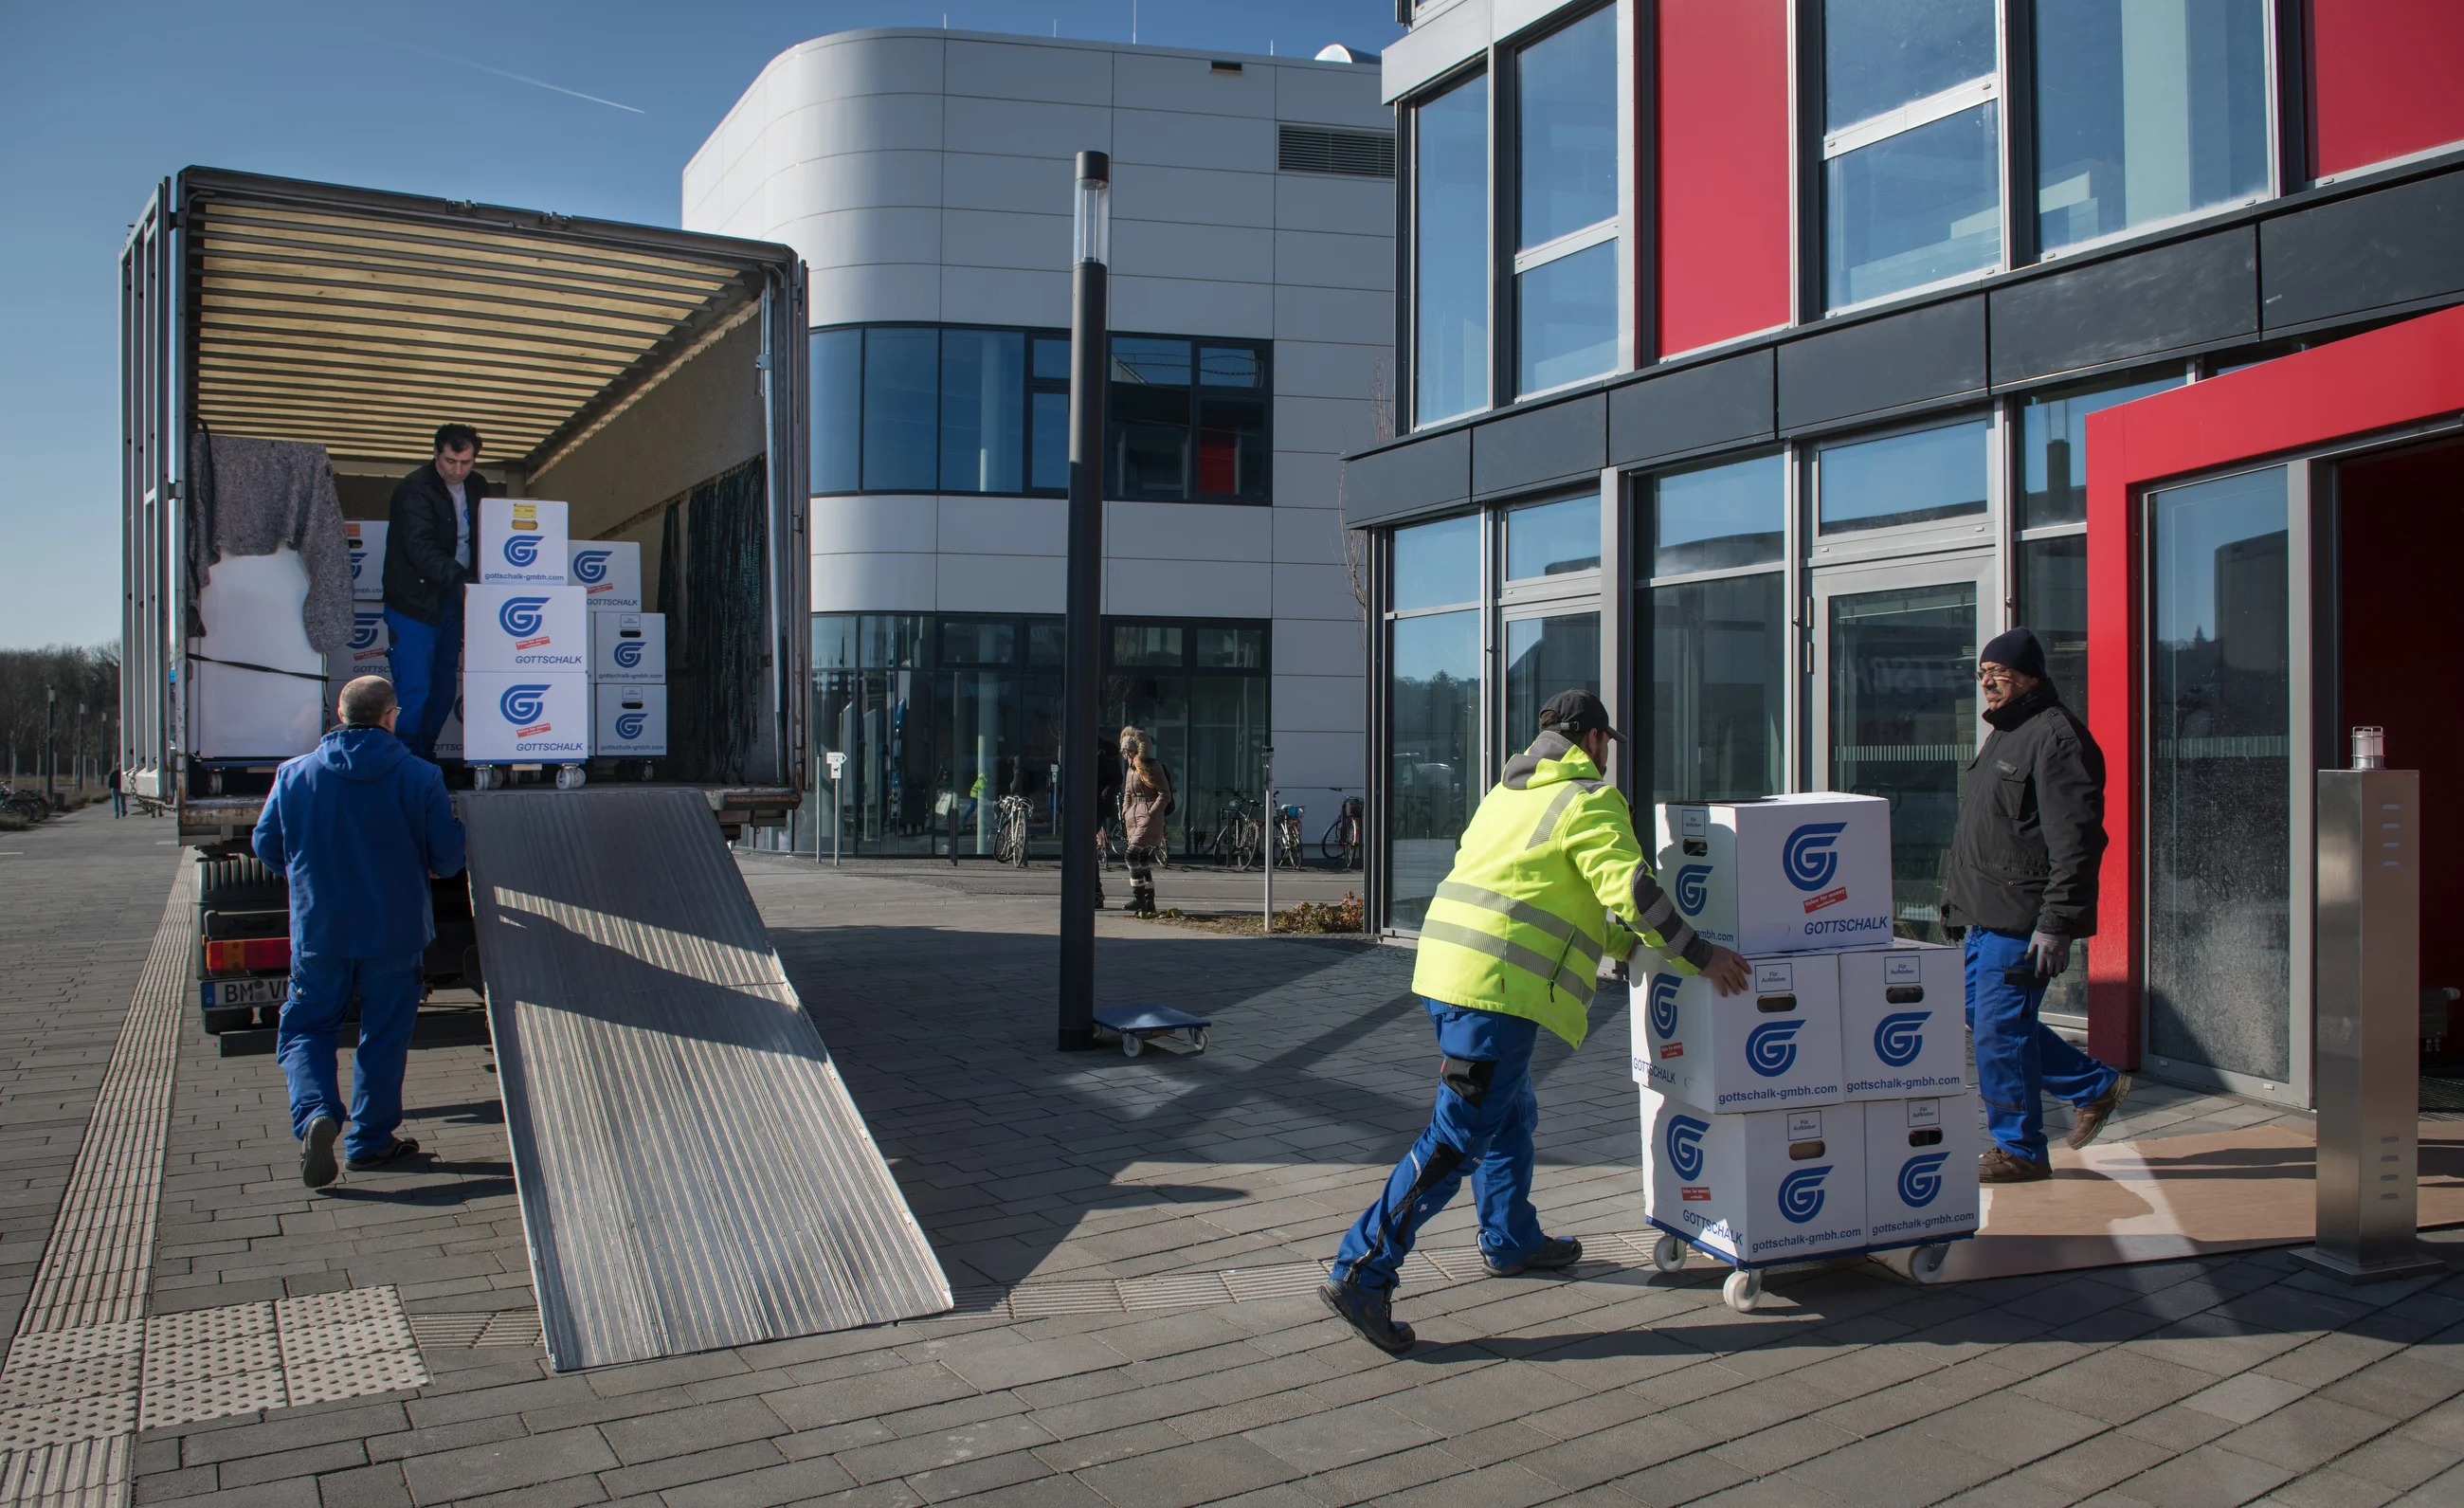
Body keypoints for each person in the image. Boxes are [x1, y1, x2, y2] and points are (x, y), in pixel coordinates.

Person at [1322, 690, 1751, 1354]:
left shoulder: (1509, 794)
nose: (1608, 757)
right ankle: (1362, 1269)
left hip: (1449, 974)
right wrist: (1701, 954)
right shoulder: (1588, 800)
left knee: (1511, 1111)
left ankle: (1510, 1238)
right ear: (1594, 740)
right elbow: (1631, 889)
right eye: (1606, 743)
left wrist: (1631, 948)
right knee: (1456, 1140)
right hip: (1494, 993)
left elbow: (1550, 896)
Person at [252, 676, 466, 1188]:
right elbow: (448, 859)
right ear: (391, 716)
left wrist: (307, 874)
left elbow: (267, 846)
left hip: (320, 929)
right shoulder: (420, 776)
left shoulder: (294, 775)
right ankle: (370, 1142)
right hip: (395, 930)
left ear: (340, 715)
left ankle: (314, 1113)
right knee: (384, 1034)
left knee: (307, 1027)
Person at [1944, 627, 2130, 1184]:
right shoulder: (2006, 732)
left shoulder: (2057, 739)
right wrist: (1956, 905)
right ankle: (2093, 1085)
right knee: (1984, 1017)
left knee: (2000, 1033)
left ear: (2028, 677)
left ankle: (2020, 1149)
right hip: (1985, 915)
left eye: (1997, 674)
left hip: (2022, 920)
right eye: (1981, 674)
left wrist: (2057, 923)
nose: (1986, 683)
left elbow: (2078, 842)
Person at [381, 424, 490, 760]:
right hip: (413, 602)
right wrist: (464, 580)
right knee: (414, 688)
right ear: (435, 454)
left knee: (443, 690)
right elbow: (420, 548)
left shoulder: (478, 486)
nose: (457, 470)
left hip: (453, 600)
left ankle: (423, 759)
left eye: (465, 462)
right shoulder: (414, 489)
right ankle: (402, 761)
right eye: (449, 461)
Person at [1118, 727, 1173, 916]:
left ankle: (1138, 897)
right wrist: (1126, 811)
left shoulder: (1152, 766)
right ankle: (1149, 902)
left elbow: (1165, 794)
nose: (1128, 755)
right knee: (1142, 859)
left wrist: (1151, 813)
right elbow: (1128, 793)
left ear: (1139, 750)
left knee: (1131, 855)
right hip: (1133, 817)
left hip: (1148, 817)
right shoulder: (1130, 770)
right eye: (1125, 752)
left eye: (1131, 751)